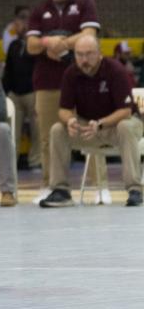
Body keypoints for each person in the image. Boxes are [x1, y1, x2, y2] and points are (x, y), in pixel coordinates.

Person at [26, 0, 99, 201]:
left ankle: (99, 186)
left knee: (91, 131)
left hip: (82, 81)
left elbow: (89, 35)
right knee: (47, 137)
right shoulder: (39, 10)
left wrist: (59, 43)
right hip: (47, 82)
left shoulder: (85, 4)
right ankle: (50, 184)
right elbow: (31, 45)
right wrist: (47, 42)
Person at [41, 36, 143, 208]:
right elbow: (63, 110)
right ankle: (61, 191)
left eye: (89, 54)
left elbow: (125, 111)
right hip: (88, 128)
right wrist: (71, 120)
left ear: (100, 53)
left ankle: (135, 190)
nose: (84, 59)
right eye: (79, 55)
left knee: (125, 126)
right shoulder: (71, 73)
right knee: (58, 129)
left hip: (116, 126)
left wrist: (101, 123)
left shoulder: (115, 70)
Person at [3, 14, 39, 169]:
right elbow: (8, 70)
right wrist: (6, 92)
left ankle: (36, 160)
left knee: (37, 130)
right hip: (15, 94)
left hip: (32, 93)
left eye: (19, 25)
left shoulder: (35, 46)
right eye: (15, 25)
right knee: (13, 131)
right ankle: (12, 164)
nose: (16, 28)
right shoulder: (13, 45)